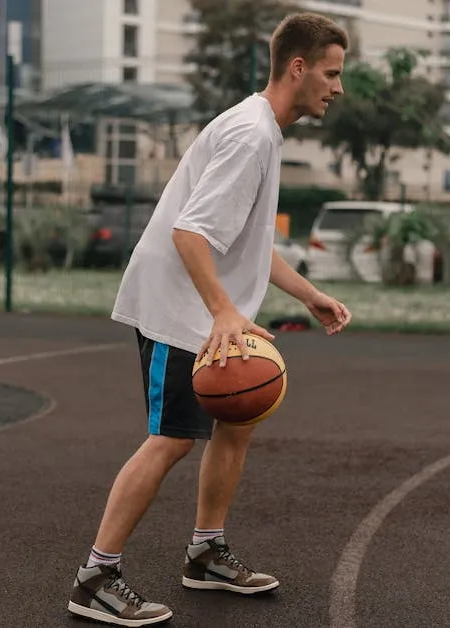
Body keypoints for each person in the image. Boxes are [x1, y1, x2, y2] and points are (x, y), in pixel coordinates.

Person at [68, 11, 352, 627]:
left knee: (237, 420)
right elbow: (191, 233)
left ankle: (205, 552)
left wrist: (308, 294)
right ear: (297, 68)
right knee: (170, 438)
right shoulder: (252, 135)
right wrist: (224, 312)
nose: (337, 87)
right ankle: (96, 576)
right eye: (330, 74)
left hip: (202, 306)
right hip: (178, 308)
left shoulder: (262, 130)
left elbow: (241, 239)